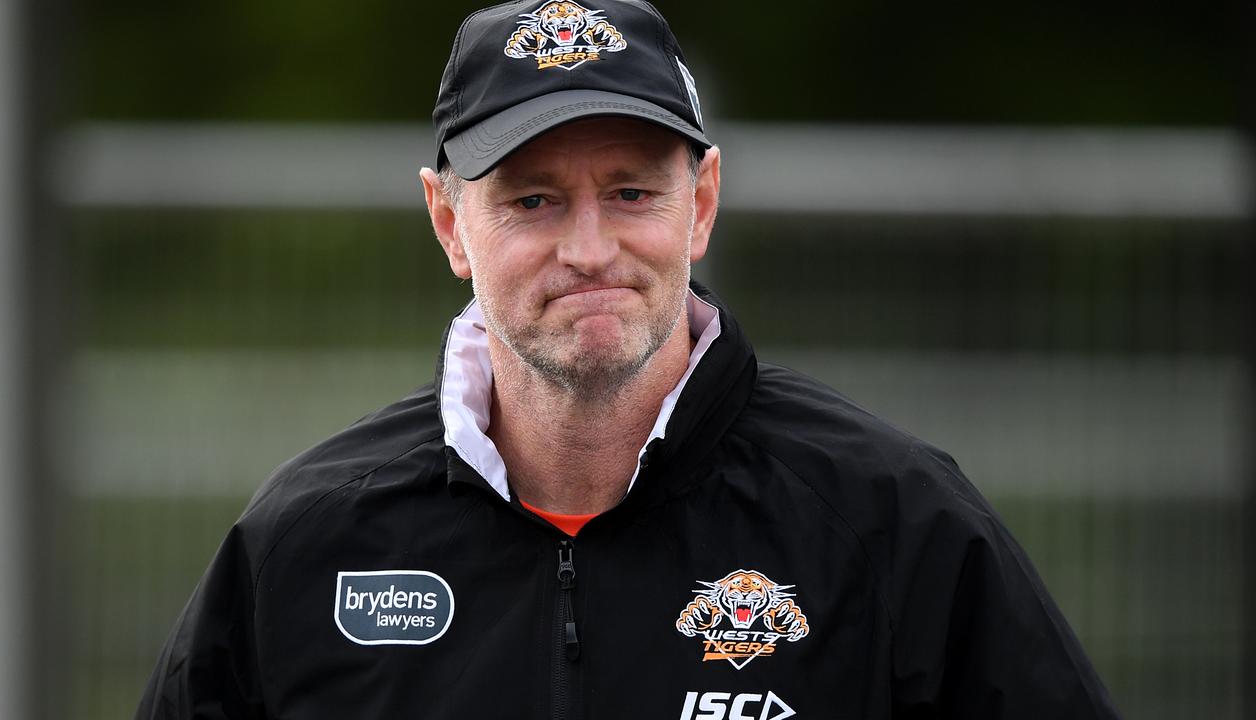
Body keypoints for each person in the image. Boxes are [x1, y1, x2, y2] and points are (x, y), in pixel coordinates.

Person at [137, 1, 1121, 718]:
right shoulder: (308, 544)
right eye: (531, 201)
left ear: (699, 204)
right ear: (448, 222)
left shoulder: (890, 521)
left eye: (630, 193)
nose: (589, 249)